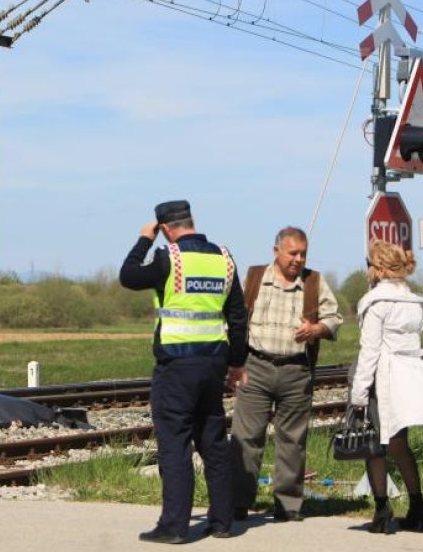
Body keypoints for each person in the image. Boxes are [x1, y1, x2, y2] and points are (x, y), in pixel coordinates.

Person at [119, 200, 248, 544]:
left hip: (176, 366)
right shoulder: (224, 258)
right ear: (192, 221)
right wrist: (237, 363)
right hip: (213, 364)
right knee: (213, 441)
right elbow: (237, 316)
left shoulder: (168, 258)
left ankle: (174, 526)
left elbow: (128, 275)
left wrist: (143, 241)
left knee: (175, 444)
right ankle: (222, 522)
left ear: (164, 228)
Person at [230, 226, 343, 522]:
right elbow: (235, 319)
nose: (298, 259)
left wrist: (317, 329)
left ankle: (288, 505)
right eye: (293, 253)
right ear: (276, 251)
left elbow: (335, 319)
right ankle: (238, 502)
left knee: (292, 440)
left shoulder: (314, 282)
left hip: (296, 370)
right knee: (245, 437)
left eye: (303, 253)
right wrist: (234, 364)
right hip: (255, 367)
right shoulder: (254, 278)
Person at [349, 240, 423, 534]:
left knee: (374, 446)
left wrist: (358, 393)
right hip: (407, 379)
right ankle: (417, 503)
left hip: (383, 380)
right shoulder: (415, 302)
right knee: (399, 443)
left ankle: (382, 510)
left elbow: (370, 351)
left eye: (369, 264)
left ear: (378, 269)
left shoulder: (376, 303)